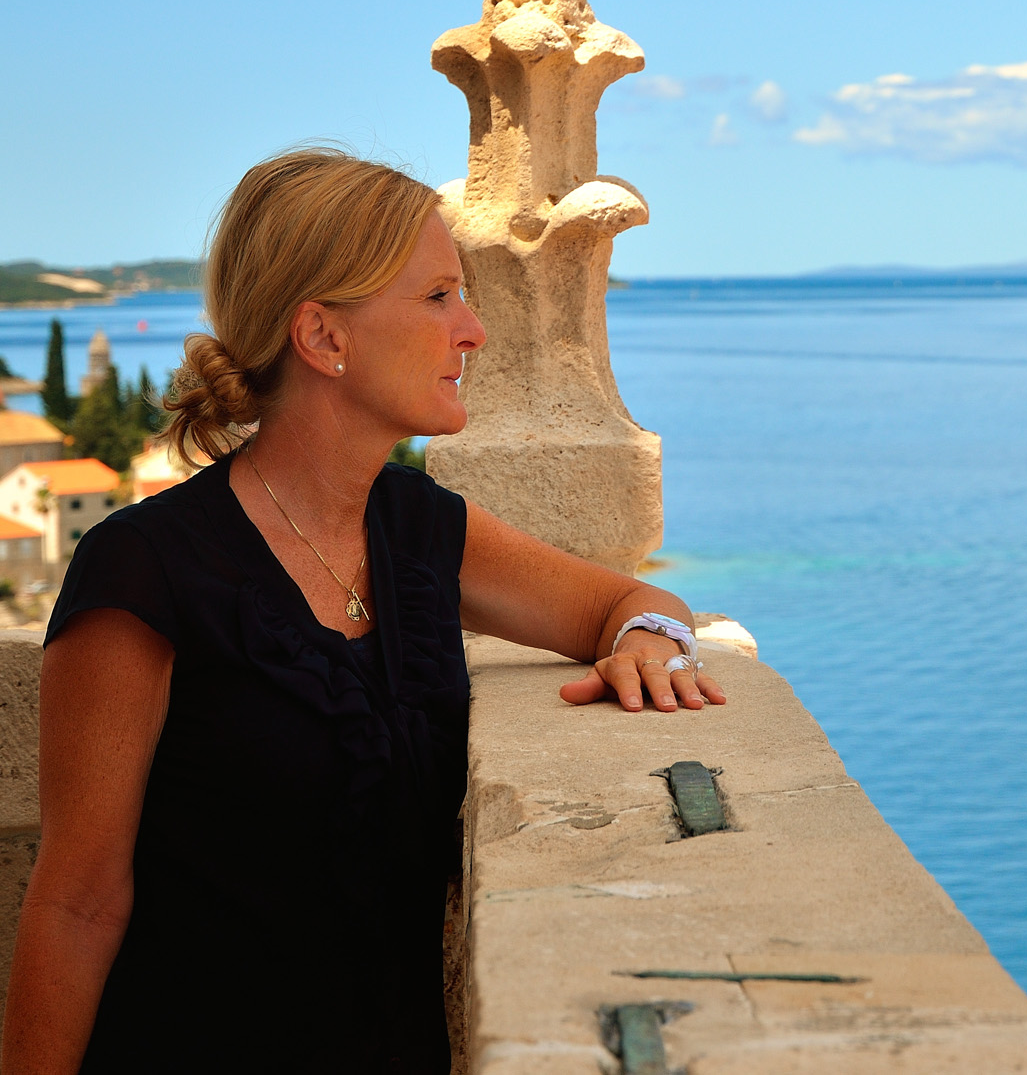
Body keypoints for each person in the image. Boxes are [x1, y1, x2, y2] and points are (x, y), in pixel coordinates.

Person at [0, 149, 726, 1073]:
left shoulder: (420, 528)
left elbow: (631, 600)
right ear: (324, 337)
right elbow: (76, 902)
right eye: (437, 298)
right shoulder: (145, 571)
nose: (474, 331)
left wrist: (649, 643)